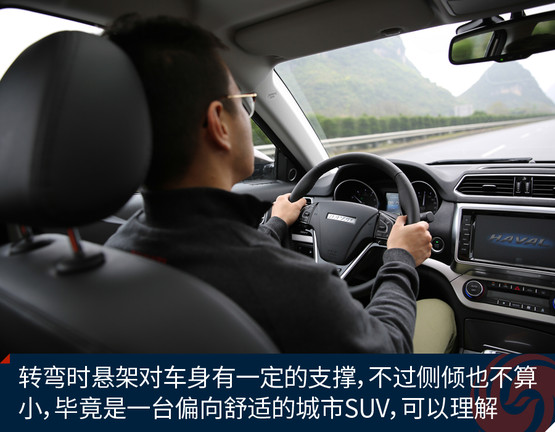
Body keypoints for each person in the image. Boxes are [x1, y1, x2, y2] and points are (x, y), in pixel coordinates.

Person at [105, 15, 456, 353]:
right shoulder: (296, 286)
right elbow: (389, 353)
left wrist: (275, 224)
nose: (247, 116)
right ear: (219, 123)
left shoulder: (117, 249)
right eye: (243, 104)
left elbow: (226, 259)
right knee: (438, 310)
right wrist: (400, 258)